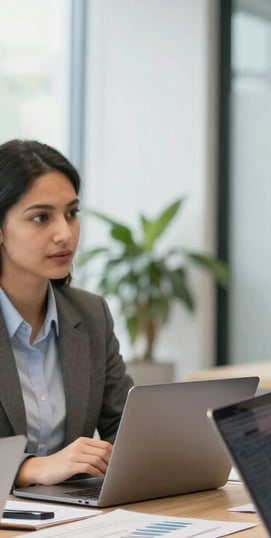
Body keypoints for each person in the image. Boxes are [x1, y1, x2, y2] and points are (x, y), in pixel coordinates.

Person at [0, 139, 133, 487]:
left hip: (70, 518)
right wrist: (30, 469)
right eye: (41, 217)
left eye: (71, 213)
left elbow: (125, 425)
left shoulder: (90, 314)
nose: (65, 234)